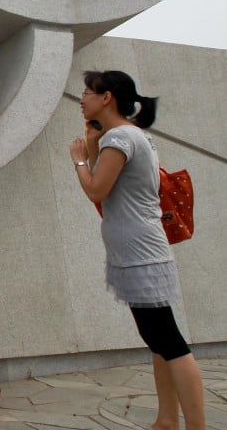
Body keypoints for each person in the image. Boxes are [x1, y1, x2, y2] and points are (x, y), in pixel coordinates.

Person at [70, 70, 205, 430]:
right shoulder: (128, 136)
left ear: (107, 97)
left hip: (140, 254)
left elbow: (97, 190)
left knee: (168, 341)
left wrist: (80, 158)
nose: (81, 98)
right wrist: (95, 145)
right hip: (141, 251)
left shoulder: (121, 138)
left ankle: (195, 425)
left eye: (87, 92)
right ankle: (166, 420)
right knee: (159, 339)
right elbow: (114, 192)